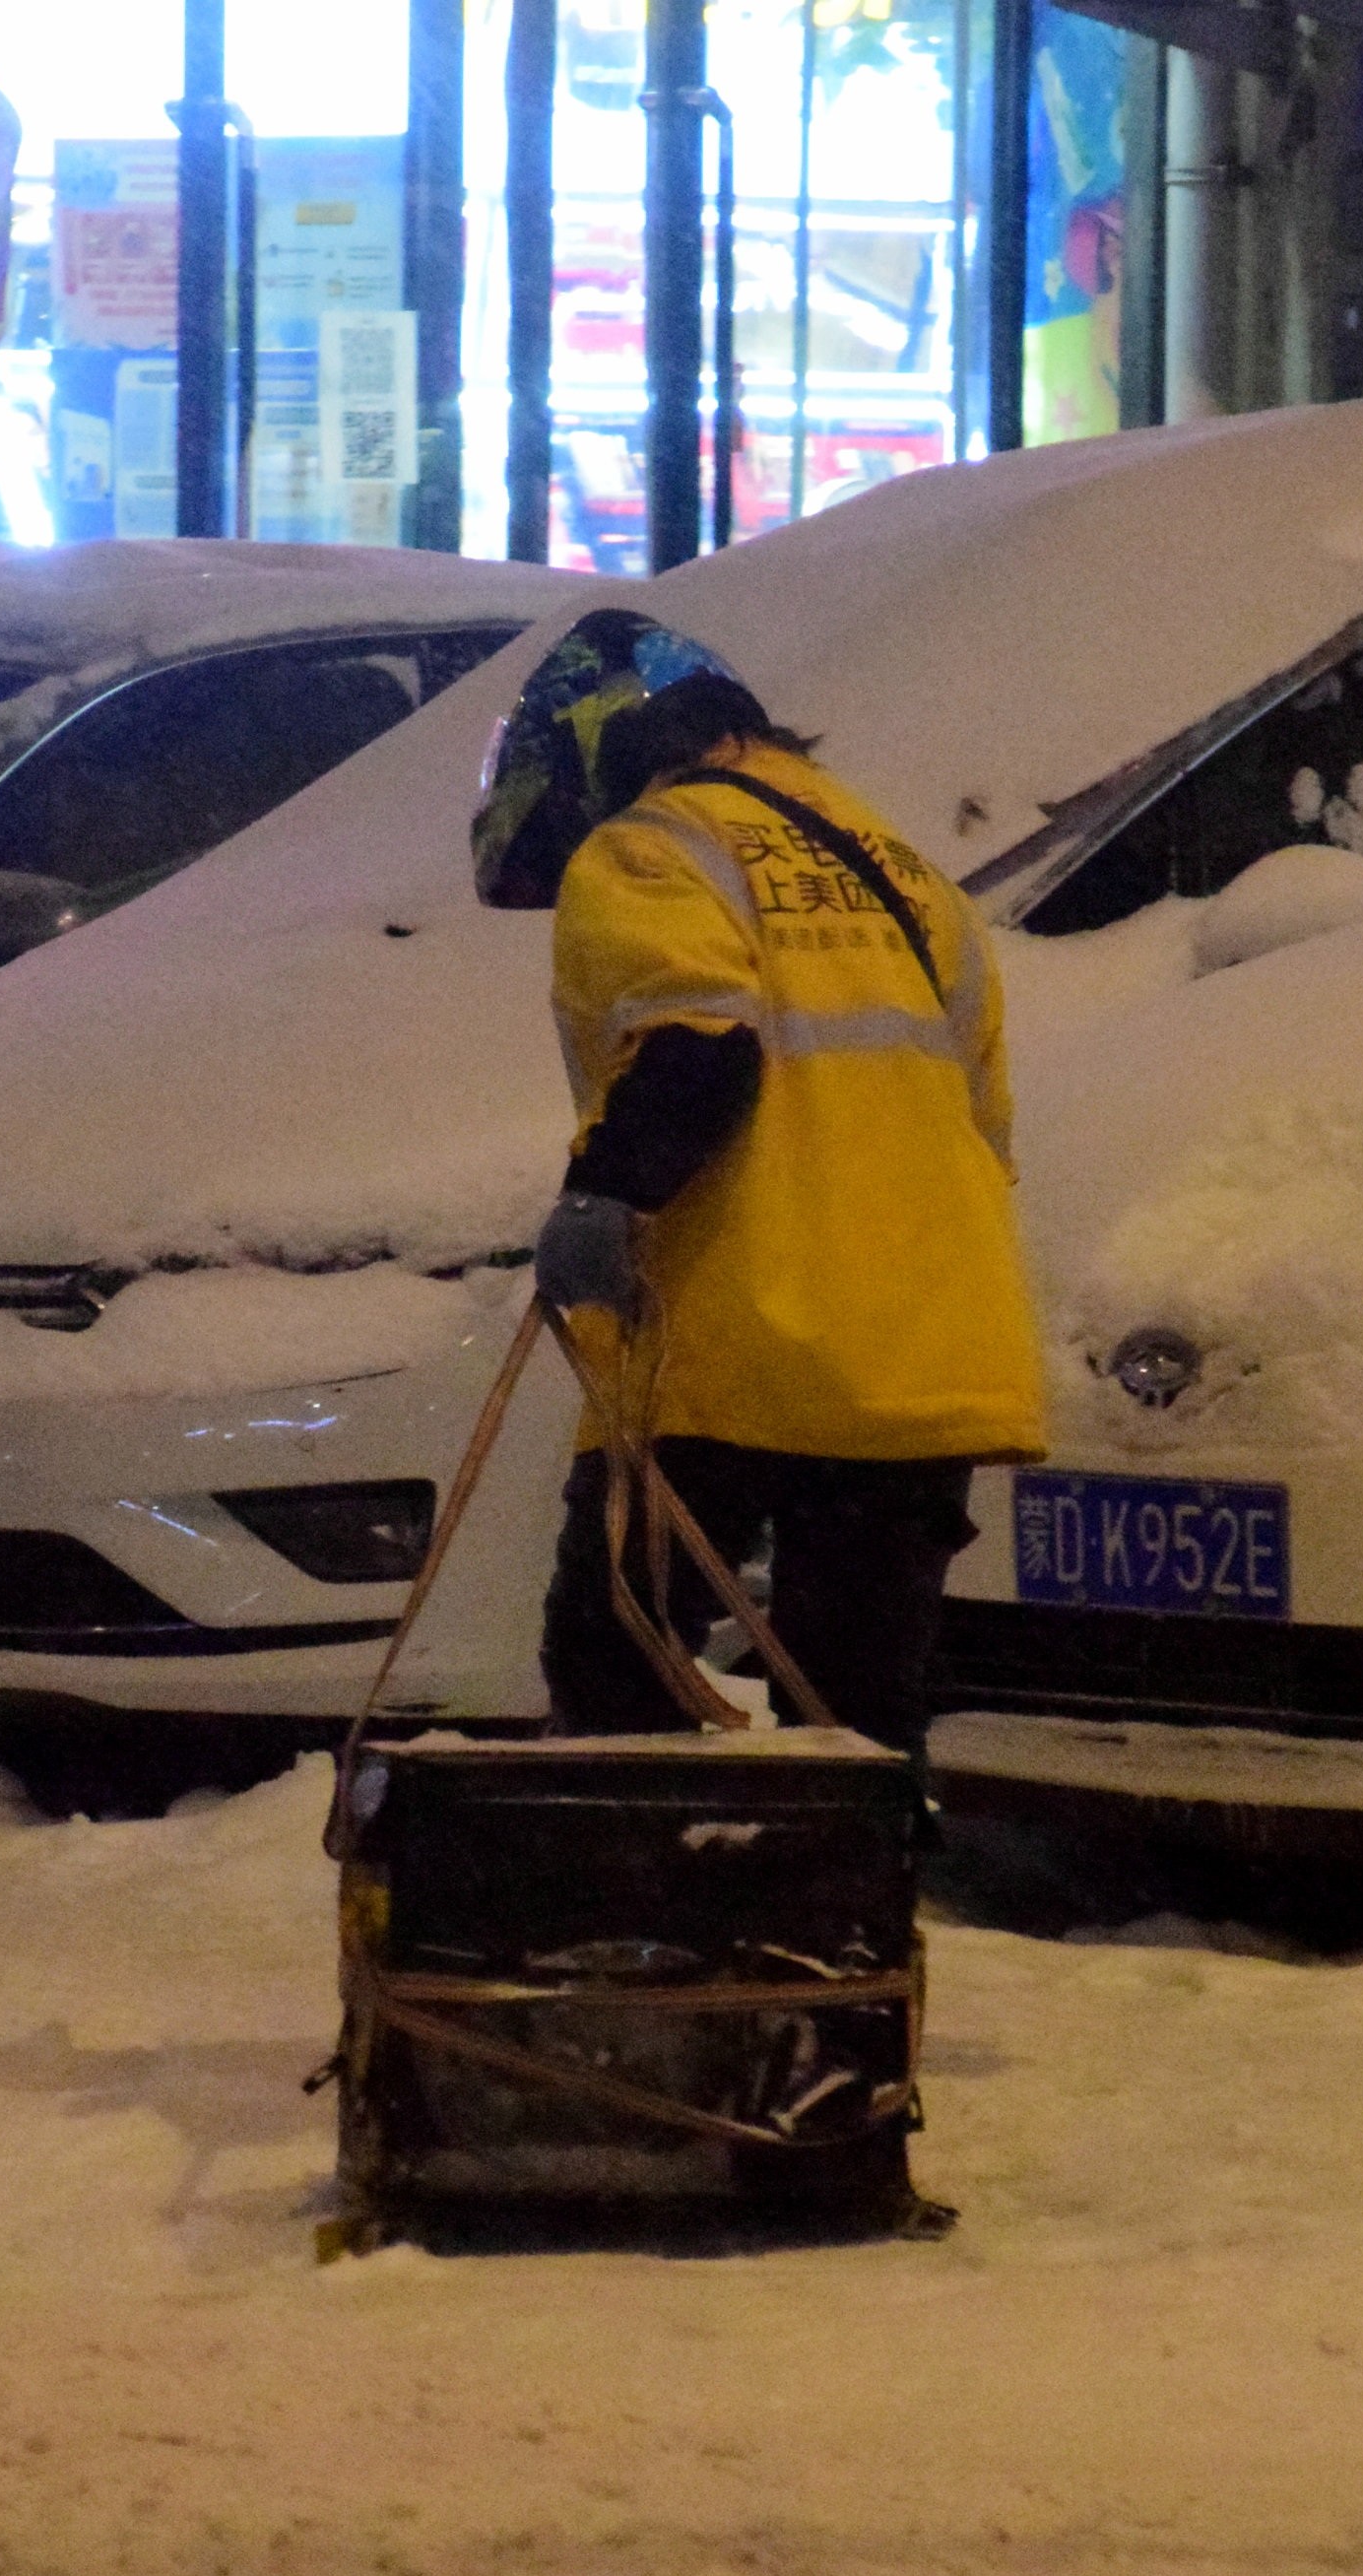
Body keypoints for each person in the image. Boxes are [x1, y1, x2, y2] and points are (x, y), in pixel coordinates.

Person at [467, 611, 1048, 1757]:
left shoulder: (647, 850)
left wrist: (605, 1198)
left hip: (728, 1351)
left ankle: (635, 1925)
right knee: (859, 1715)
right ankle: (841, 1926)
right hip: (921, 1353)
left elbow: (697, 1041)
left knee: (616, 1667)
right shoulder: (905, 876)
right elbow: (982, 1125)